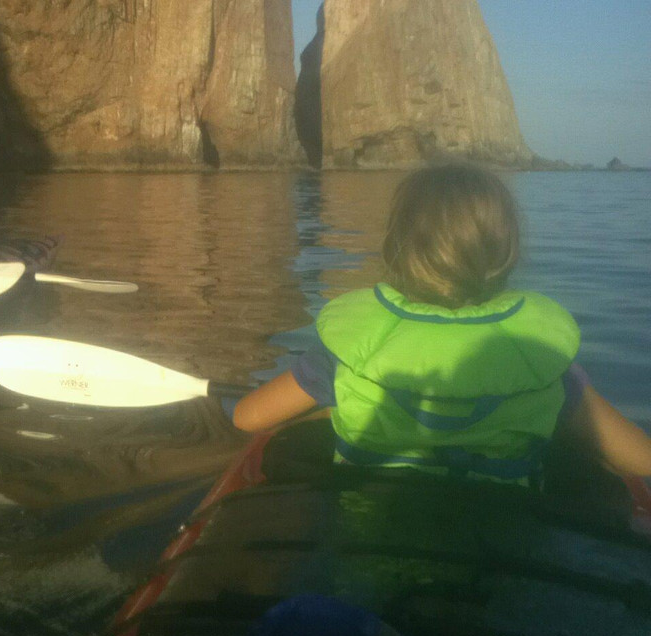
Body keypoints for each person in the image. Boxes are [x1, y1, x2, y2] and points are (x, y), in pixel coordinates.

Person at [233, 164, 651, 485]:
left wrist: (331, 410)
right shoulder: (543, 363)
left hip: (373, 533)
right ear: (507, 255)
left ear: (394, 249)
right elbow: (641, 461)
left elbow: (247, 418)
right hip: (499, 548)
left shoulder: (348, 352)